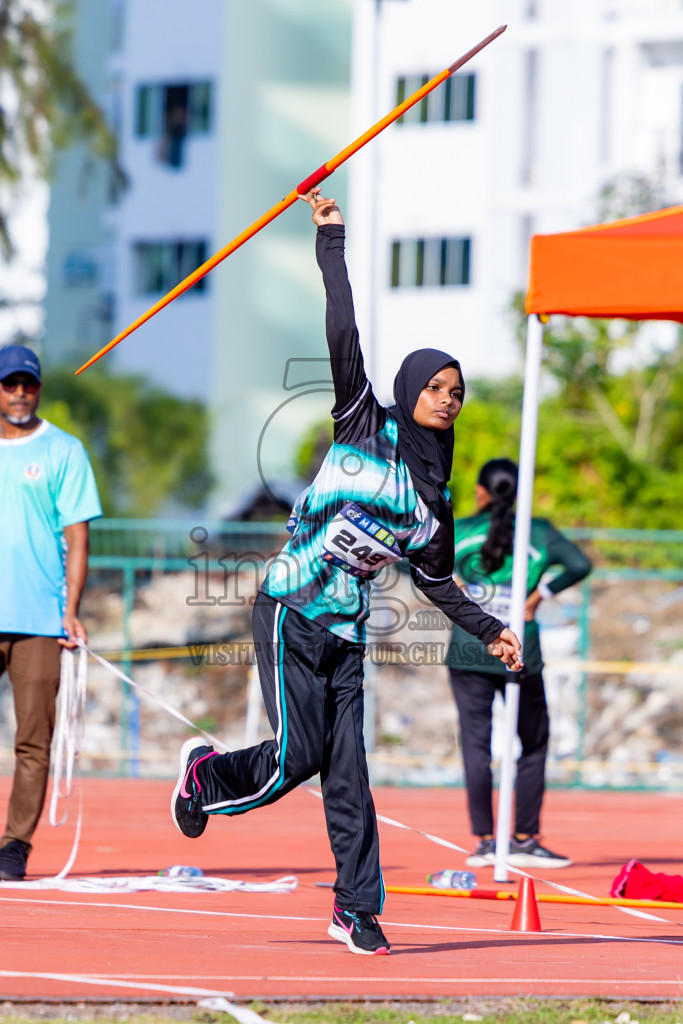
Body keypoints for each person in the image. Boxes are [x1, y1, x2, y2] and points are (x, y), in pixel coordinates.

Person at [171, 191, 522, 956]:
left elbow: (434, 583)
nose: (447, 399)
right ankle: (205, 775)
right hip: (291, 608)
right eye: (435, 387)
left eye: (456, 392)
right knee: (293, 761)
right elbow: (342, 327)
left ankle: (356, 910)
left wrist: (491, 630)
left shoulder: (436, 502)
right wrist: (331, 239)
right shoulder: (364, 418)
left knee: (350, 779)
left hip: (347, 638)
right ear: (408, 389)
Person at [445, 458, 591, 869]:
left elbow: (410, 556)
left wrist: (451, 585)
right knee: (535, 741)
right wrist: (538, 594)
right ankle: (524, 837)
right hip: (519, 648)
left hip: (469, 647)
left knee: (475, 746)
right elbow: (580, 564)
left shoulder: (460, 530)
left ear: (480, 492)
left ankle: (487, 841)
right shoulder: (539, 531)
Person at [0, 345, 102, 881]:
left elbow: (77, 535)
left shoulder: (65, 450)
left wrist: (72, 609)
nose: (19, 393)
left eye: (28, 384)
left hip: (39, 618)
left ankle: (14, 845)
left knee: (32, 738)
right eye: (9, 383)